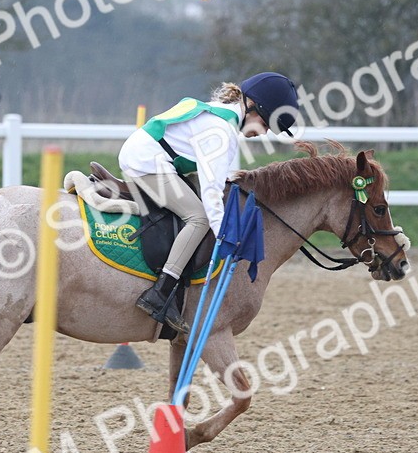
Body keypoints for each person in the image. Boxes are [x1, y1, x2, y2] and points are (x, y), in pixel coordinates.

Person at [118, 72, 300, 334]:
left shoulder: (221, 117)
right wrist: (224, 236)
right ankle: (160, 292)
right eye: (265, 123)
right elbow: (212, 192)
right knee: (199, 218)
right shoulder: (221, 131)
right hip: (145, 162)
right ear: (251, 106)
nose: (264, 132)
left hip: (154, 156)